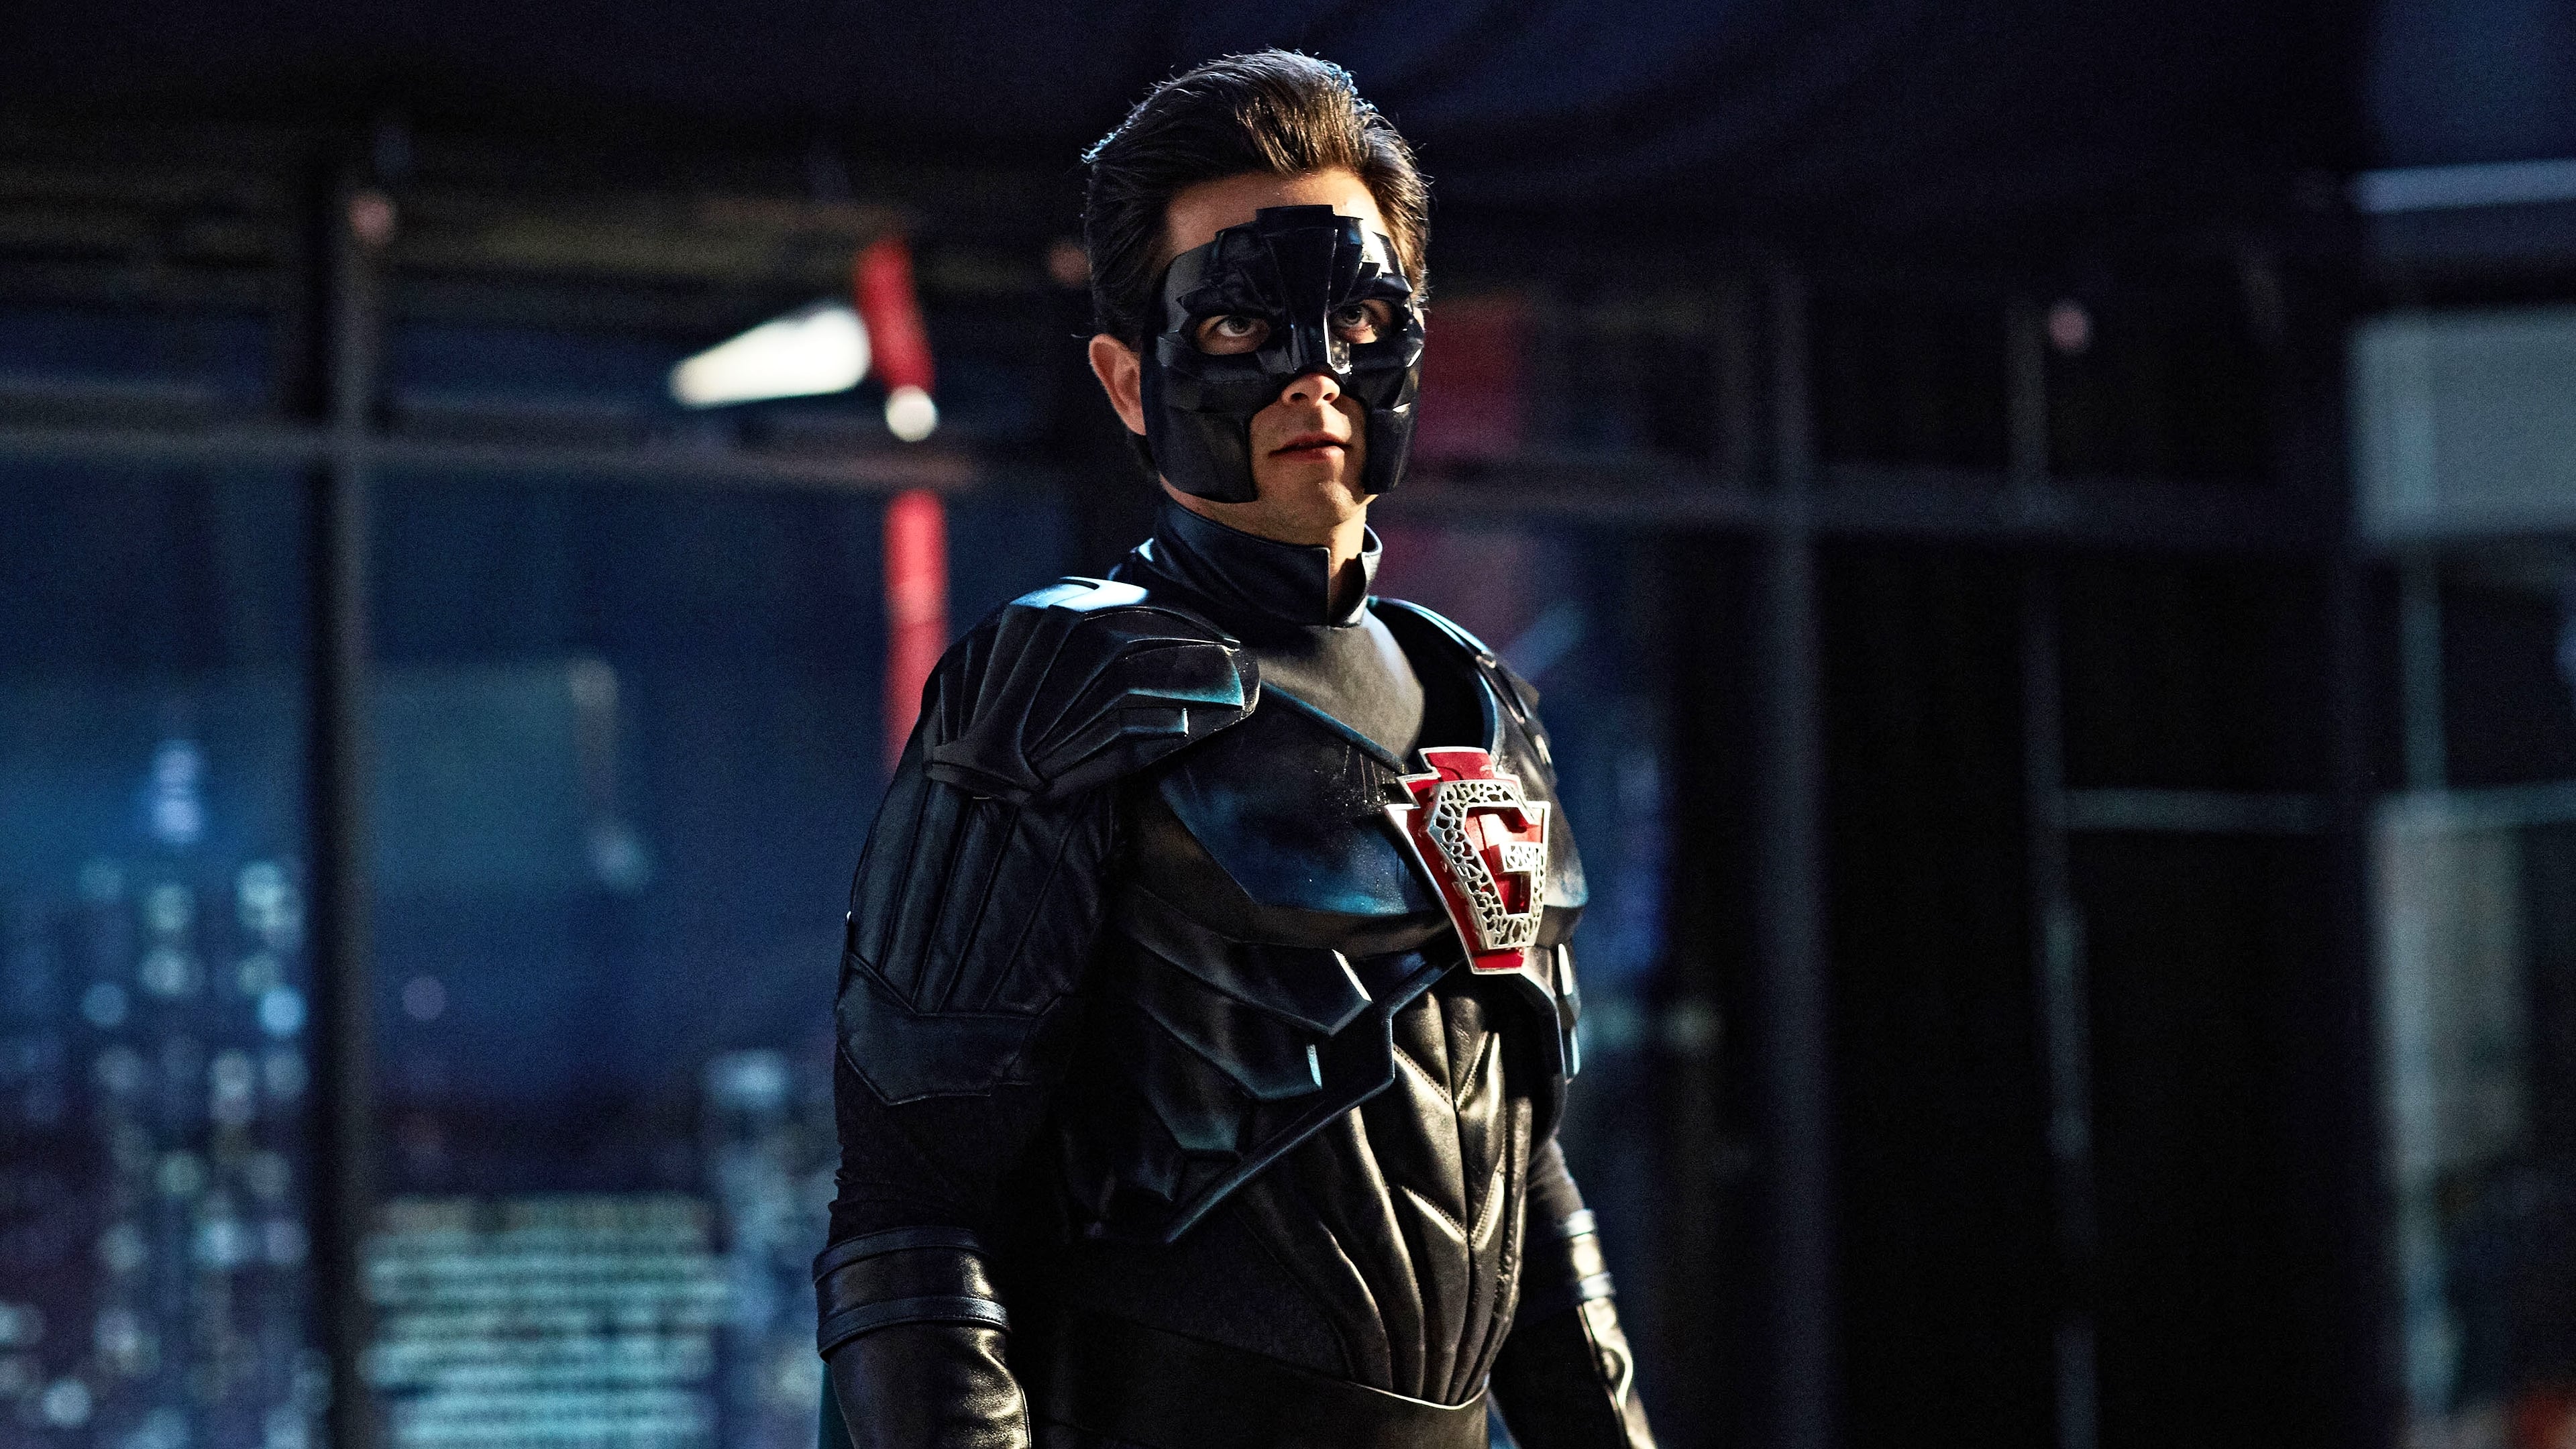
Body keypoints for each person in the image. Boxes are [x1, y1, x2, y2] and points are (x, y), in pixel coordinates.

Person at [815, 50, 1656, 1449]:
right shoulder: (1064, 684)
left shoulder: (1478, 702)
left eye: (1361, 316)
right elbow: (912, 1208)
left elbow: (1523, 1170)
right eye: (1237, 324)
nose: (1312, 375)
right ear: (1127, 379)